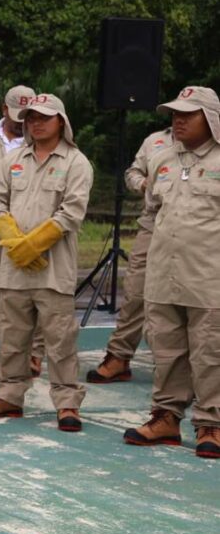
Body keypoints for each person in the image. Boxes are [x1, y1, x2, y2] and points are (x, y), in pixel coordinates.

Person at [0, 94, 93, 431]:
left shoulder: (76, 162)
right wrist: (14, 241)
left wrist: (35, 245)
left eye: (44, 117)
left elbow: (72, 212)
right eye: (30, 118)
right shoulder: (13, 160)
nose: (35, 123)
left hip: (53, 268)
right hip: (14, 267)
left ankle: (67, 402)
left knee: (60, 340)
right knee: (12, 335)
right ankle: (9, 395)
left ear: (61, 121)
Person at [123, 86, 220, 459]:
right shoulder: (161, 159)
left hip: (209, 278)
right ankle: (165, 417)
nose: (178, 120)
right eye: (175, 113)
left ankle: (211, 424)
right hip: (164, 275)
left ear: (210, 118)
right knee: (166, 351)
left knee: (210, 353)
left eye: (188, 114)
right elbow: (153, 214)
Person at [86, 123, 173, 383]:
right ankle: (119, 356)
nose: (179, 118)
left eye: (188, 112)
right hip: (153, 224)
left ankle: (185, 368)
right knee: (136, 291)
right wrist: (143, 183)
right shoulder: (155, 140)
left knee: (195, 299)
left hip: (201, 229)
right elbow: (132, 172)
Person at [0, 85, 46, 375]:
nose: (22, 121)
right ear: (4, 109)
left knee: (29, 294)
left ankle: (33, 352)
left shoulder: (41, 141)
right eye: (17, 114)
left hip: (29, 231)